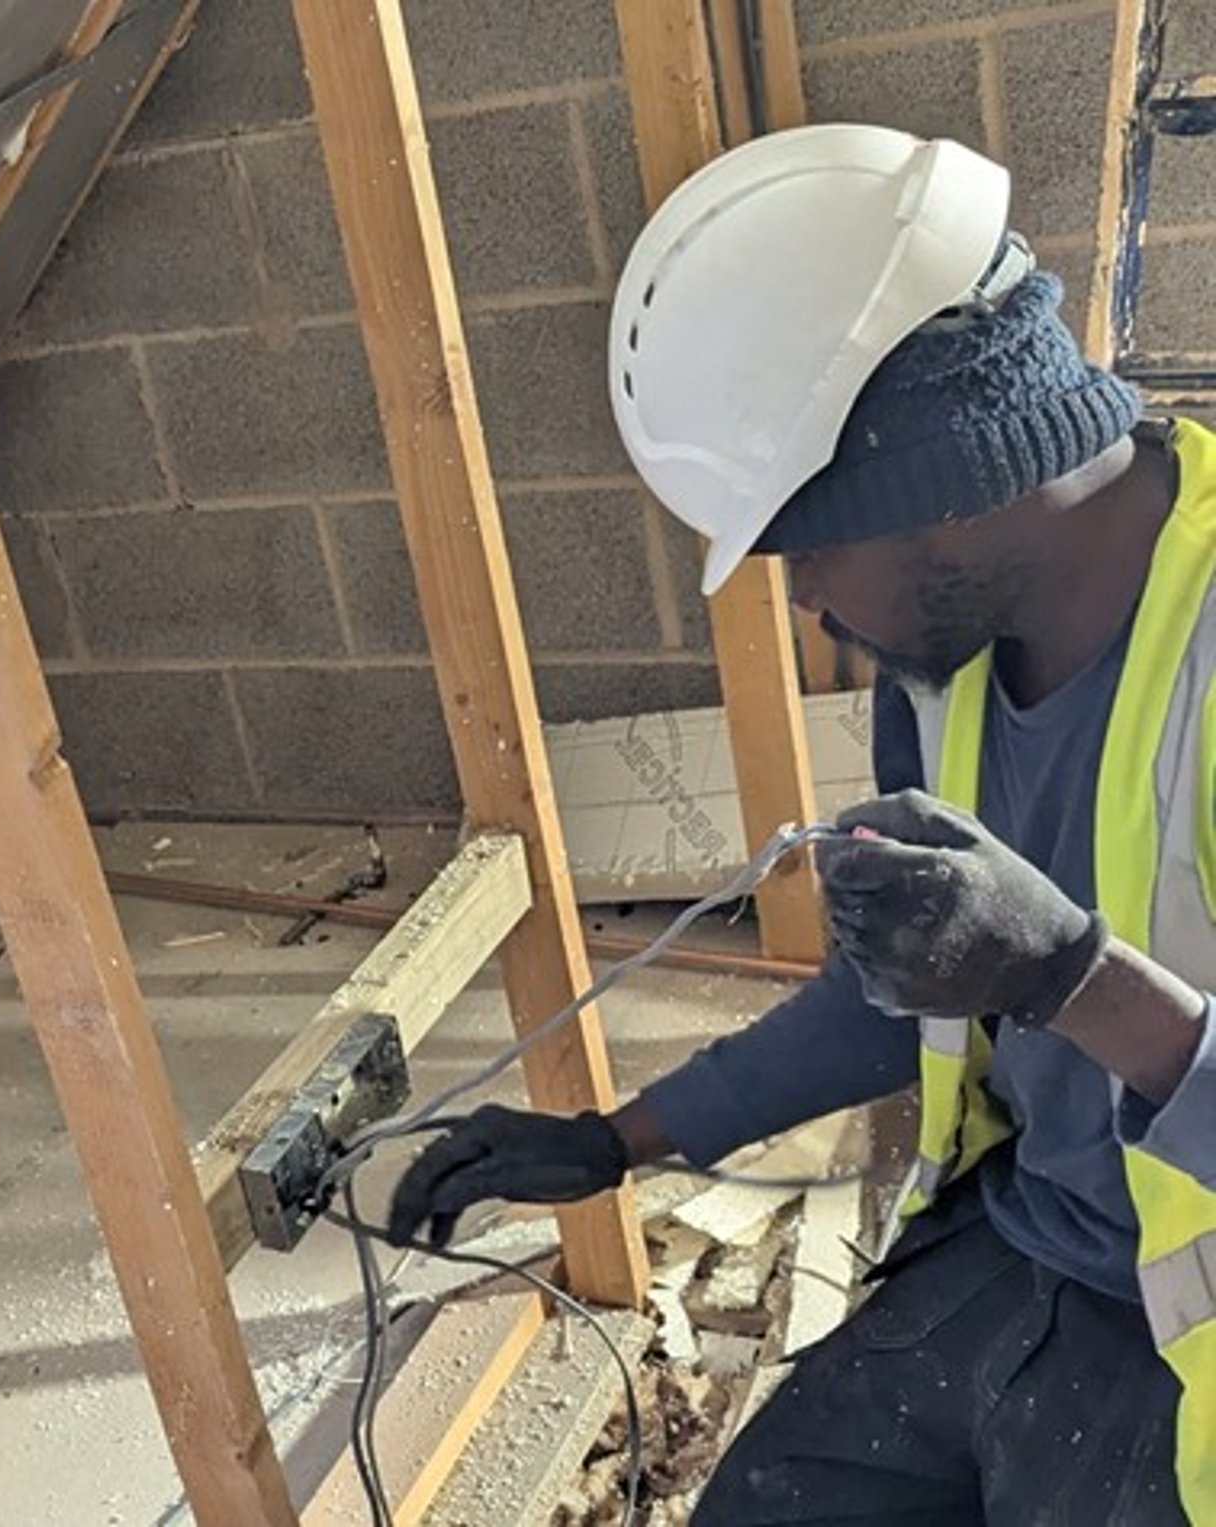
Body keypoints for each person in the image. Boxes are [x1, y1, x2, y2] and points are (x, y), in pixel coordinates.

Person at [386, 124, 1216, 1525]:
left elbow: (1039, 978)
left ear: (936, 484)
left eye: (806, 550)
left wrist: (1070, 978)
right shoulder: (945, 671)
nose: (807, 606)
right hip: (1029, 1245)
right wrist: (614, 1141)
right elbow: (893, 1003)